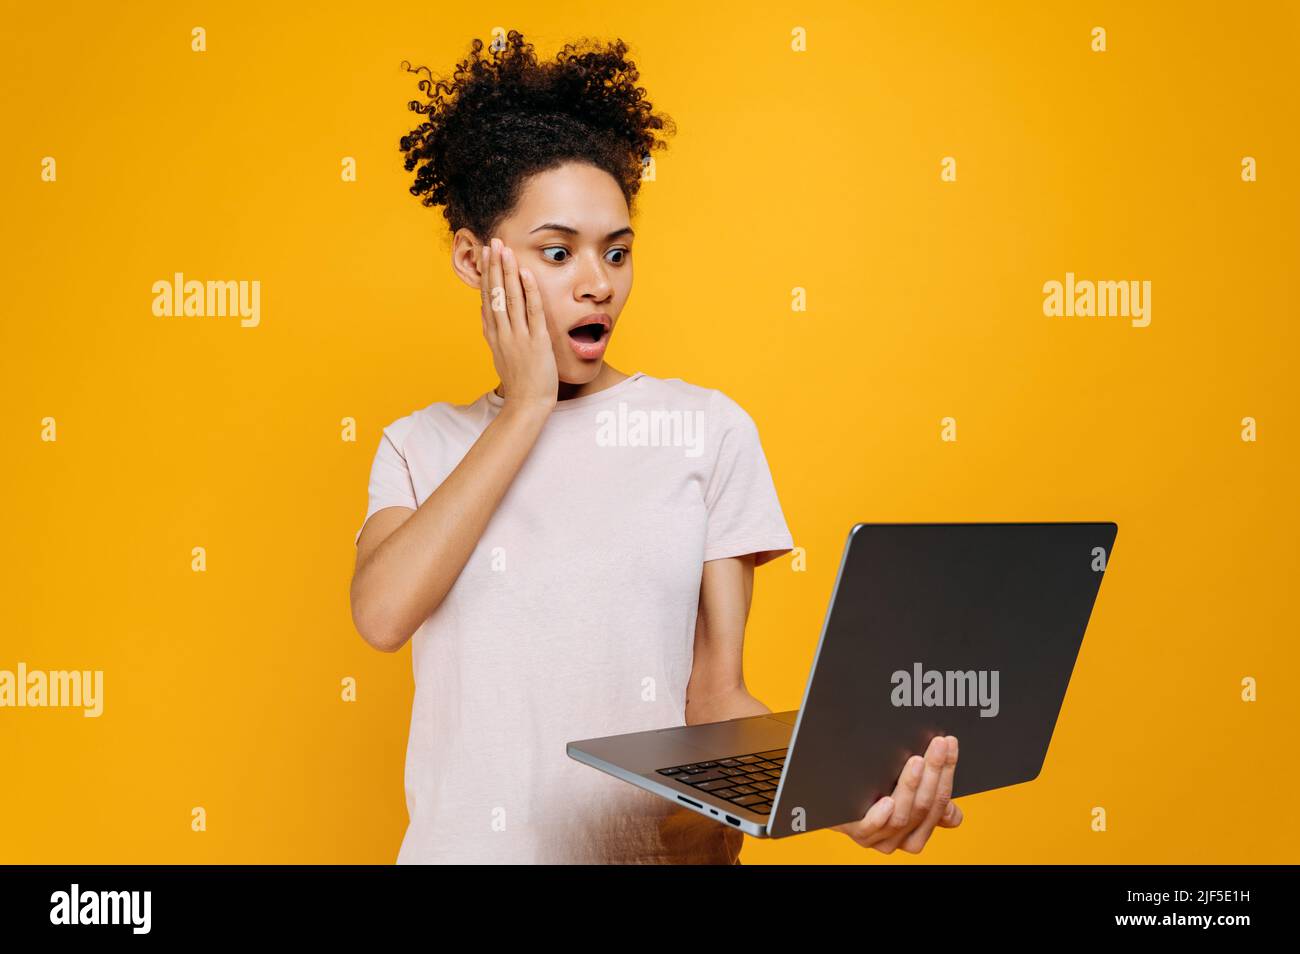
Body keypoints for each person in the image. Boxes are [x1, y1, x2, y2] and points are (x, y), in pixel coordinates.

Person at [350, 30, 964, 864]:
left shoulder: (705, 431)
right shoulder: (420, 446)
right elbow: (383, 614)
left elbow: (714, 697)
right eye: (557, 252)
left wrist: (847, 787)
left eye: (617, 251)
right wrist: (525, 408)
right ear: (473, 257)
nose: (596, 282)